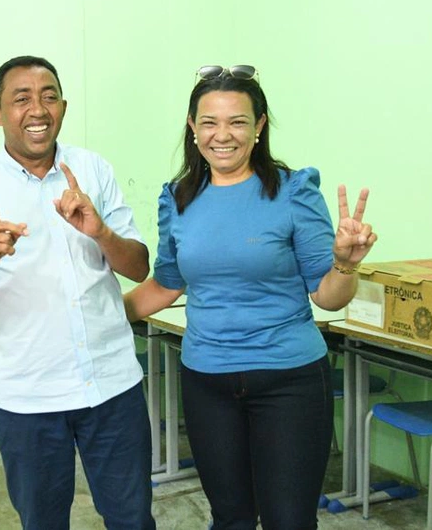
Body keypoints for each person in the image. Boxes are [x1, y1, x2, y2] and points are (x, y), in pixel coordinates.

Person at [123, 65, 378, 530]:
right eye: (210, 122)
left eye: (238, 122)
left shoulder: (293, 191)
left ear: (259, 127)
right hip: (207, 383)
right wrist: (99, 315)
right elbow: (166, 284)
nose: (223, 135)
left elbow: (329, 296)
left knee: (289, 522)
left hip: (290, 382)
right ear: (192, 126)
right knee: (231, 519)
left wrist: (345, 262)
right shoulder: (177, 199)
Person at [0, 55, 155, 530]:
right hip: (26, 399)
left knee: (132, 520)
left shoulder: (92, 170)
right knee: (43, 523)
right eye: (22, 99)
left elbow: (138, 266)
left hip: (112, 386)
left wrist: (101, 233)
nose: (38, 109)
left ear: (64, 106)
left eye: (49, 96)